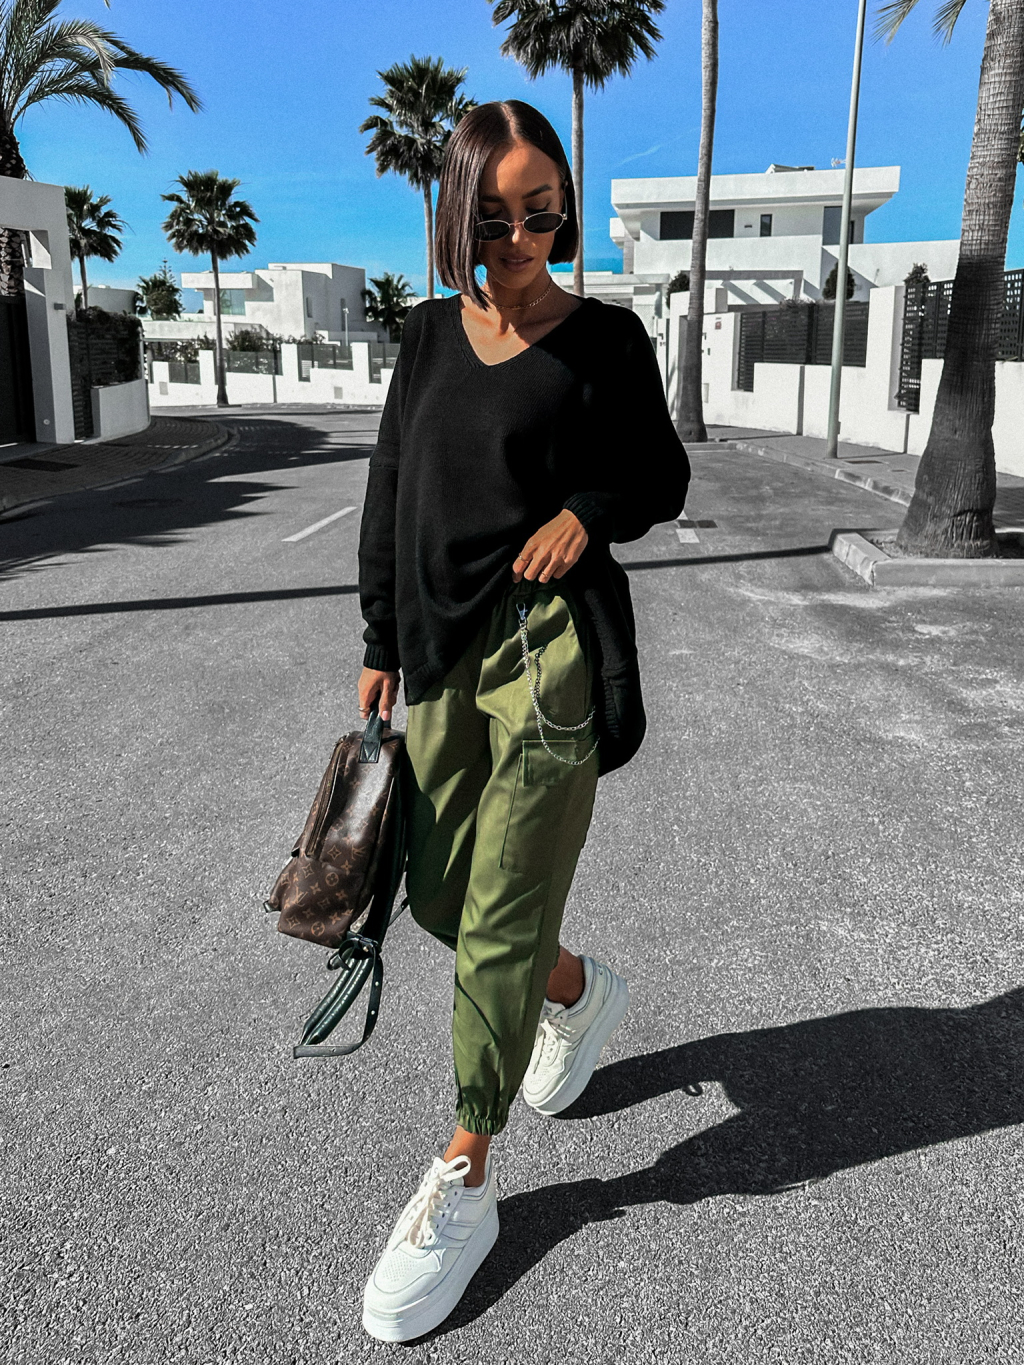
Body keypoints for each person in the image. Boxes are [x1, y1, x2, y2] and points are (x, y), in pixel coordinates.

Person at [356, 99, 689, 1342]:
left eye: (539, 213)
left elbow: (659, 474)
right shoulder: (425, 336)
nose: (517, 240)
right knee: (442, 899)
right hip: (439, 651)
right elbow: (392, 484)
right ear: (456, 214)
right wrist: (379, 641)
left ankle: (464, 1171)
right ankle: (577, 992)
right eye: (492, 217)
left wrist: (586, 512)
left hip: (550, 653)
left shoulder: (606, 340)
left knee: (496, 914)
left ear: (564, 210)